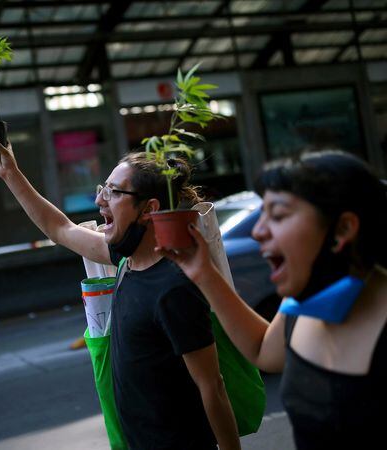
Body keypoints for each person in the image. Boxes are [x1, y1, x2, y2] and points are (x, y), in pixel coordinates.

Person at [0, 139, 240, 450]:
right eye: (104, 188)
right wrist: (10, 173)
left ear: (149, 209)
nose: (100, 199)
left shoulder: (174, 287)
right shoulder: (124, 260)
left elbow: (212, 387)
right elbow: (59, 229)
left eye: (114, 192)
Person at [158, 150, 387, 449]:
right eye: (262, 213)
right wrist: (204, 273)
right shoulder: (305, 303)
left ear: (343, 228)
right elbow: (263, 350)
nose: (258, 231)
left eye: (278, 215)